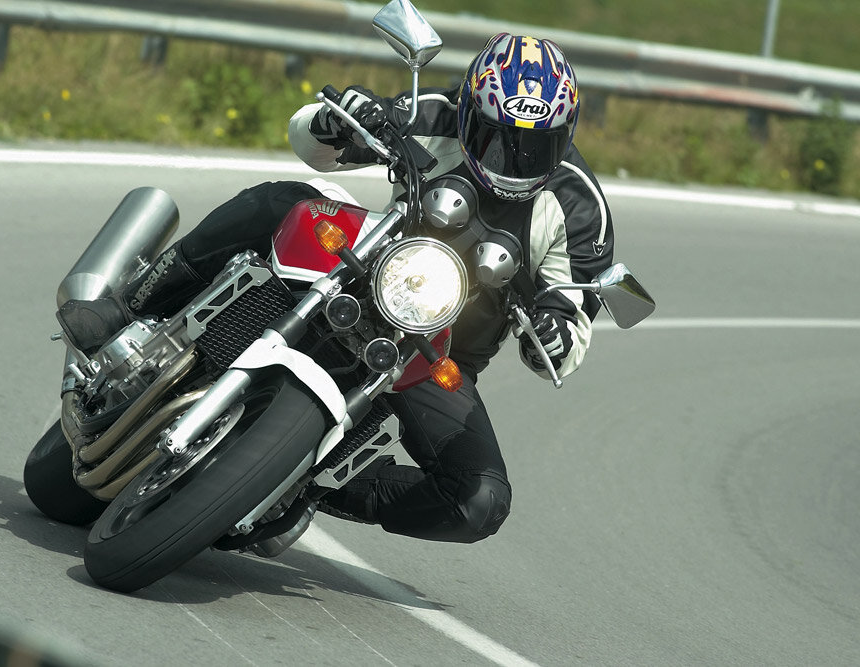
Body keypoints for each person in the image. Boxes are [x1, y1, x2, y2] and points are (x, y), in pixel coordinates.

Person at [57, 34, 614, 544]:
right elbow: (312, 143)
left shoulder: (579, 206)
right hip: (363, 269)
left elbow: (574, 319)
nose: (513, 159)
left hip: (435, 353)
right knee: (285, 200)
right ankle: (131, 308)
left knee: (480, 499)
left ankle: (310, 488)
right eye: (495, 139)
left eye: (535, 147)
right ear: (469, 111)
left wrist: (553, 336)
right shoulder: (434, 114)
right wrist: (336, 120)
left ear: (565, 137)